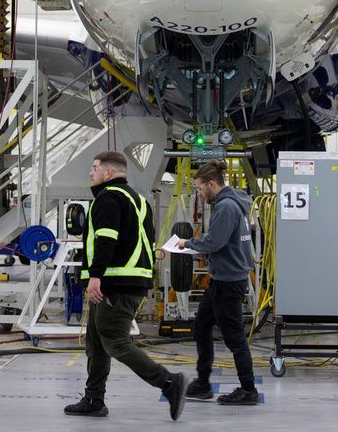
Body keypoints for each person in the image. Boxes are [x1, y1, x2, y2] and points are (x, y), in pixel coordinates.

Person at [64, 151, 187, 421]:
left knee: (115, 342)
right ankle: (94, 399)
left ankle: (168, 382)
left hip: (114, 283)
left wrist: (95, 276)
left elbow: (107, 239)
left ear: (109, 173)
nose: (91, 173)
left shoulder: (108, 198)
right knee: (96, 343)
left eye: (95, 168)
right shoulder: (139, 200)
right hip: (130, 281)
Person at [177, 160, 258, 406]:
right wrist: (207, 252)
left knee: (234, 338)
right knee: (201, 328)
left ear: (212, 184)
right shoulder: (234, 203)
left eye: (200, 189)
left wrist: (187, 244)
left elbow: (214, 241)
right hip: (220, 279)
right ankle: (202, 383)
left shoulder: (226, 208)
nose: (199, 194)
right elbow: (224, 242)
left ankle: (248, 389)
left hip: (228, 282)